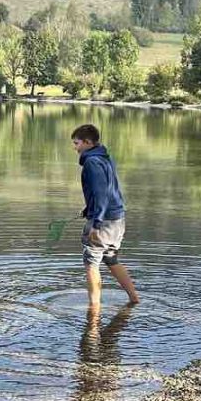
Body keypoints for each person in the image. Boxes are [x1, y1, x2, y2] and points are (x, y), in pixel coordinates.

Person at [71, 124, 139, 311]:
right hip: (118, 219)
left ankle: (94, 310)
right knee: (111, 259)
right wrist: (88, 209)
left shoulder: (92, 162)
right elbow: (109, 189)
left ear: (87, 142)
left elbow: (101, 193)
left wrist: (96, 222)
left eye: (77, 143)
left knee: (91, 263)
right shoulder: (105, 158)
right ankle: (134, 298)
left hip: (103, 221)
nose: (75, 147)